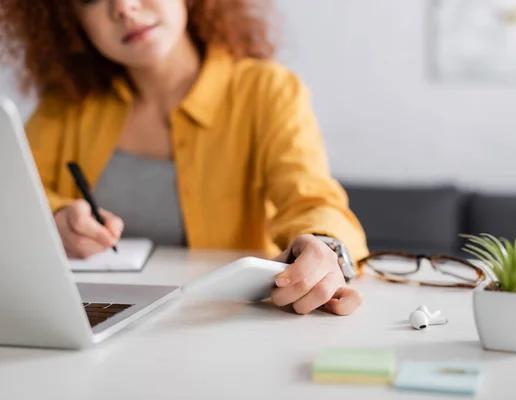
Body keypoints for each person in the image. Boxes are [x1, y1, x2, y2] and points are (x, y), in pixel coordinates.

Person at [0, 0, 369, 316]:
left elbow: (312, 199)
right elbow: (13, 198)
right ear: (69, 20)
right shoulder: (64, 108)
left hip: (224, 320)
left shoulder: (267, 91)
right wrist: (55, 218)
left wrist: (326, 246)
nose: (124, 8)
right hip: (94, 320)